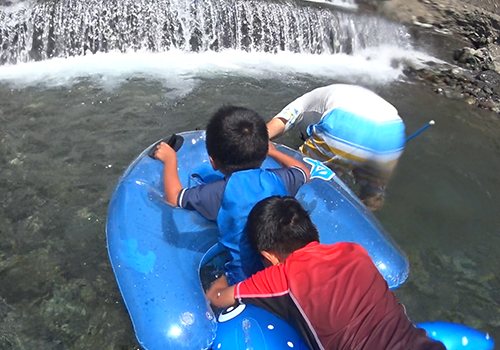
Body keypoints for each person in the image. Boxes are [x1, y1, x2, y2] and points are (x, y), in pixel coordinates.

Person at [207, 196, 446, 350]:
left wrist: (220, 272)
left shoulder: (280, 279)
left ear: (269, 256)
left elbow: (217, 298)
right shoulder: (354, 251)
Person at [153, 105, 310, 286]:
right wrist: (274, 152)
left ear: (212, 162)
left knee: (218, 290)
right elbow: (302, 171)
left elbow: (174, 198)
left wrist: (170, 159)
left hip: (245, 280)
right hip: (286, 269)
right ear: (263, 152)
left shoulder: (218, 193)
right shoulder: (280, 179)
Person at [266, 84, 406, 211]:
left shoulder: (302, 103)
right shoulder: (327, 94)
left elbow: (283, 120)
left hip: (344, 122)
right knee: (372, 194)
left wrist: (261, 141)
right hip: (393, 130)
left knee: (300, 175)